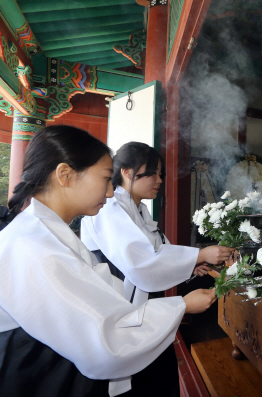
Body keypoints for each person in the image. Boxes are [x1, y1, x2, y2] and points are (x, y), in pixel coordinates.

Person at [0, 126, 217, 397]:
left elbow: (100, 297)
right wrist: (180, 305)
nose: (111, 192)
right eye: (105, 179)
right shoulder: (34, 246)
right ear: (64, 175)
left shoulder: (46, 231)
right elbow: (105, 343)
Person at [80, 142, 233, 396]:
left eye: (160, 174)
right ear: (128, 173)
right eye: (153, 173)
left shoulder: (137, 209)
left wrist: (192, 264)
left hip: (144, 311)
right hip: (122, 316)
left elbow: (158, 251)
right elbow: (142, 263)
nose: (159, 180)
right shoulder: (109, 210)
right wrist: (200, 254)